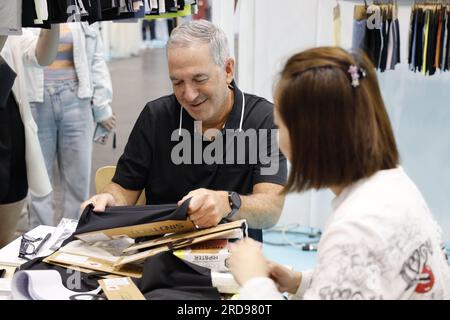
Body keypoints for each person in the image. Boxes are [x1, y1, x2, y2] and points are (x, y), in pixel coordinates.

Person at [229, 47, 450, 299]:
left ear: (310, 136)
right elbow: (369, 280)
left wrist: (254, 282)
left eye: (280, 126)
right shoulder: (395, 183)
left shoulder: (356, 228)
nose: (277, 138)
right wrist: (299, 282)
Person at [81, 20, 287, 241]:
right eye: (177, 82)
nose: (188, 95)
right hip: (157, 258)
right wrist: (109, 199)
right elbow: (123, 188)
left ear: (228, 70)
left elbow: (270, 209)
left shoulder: (263, 119)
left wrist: (228, 202)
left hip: (233, 263)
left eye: (199, 79)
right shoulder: (156, 117)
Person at [27, 22, 115, 227]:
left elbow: (96, 59)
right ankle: (39, 239)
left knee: (78, 180)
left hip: (76, 100)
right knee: (39, 181)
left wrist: (102, 106)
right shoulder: (28, 7)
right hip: (36, 101)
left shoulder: (80, 7)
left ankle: (72, 236)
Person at [0, 26, 60, 247]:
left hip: (12, 133)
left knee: (4, 239)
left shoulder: (13, 32)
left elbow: (43, 56)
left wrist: (52, 20)